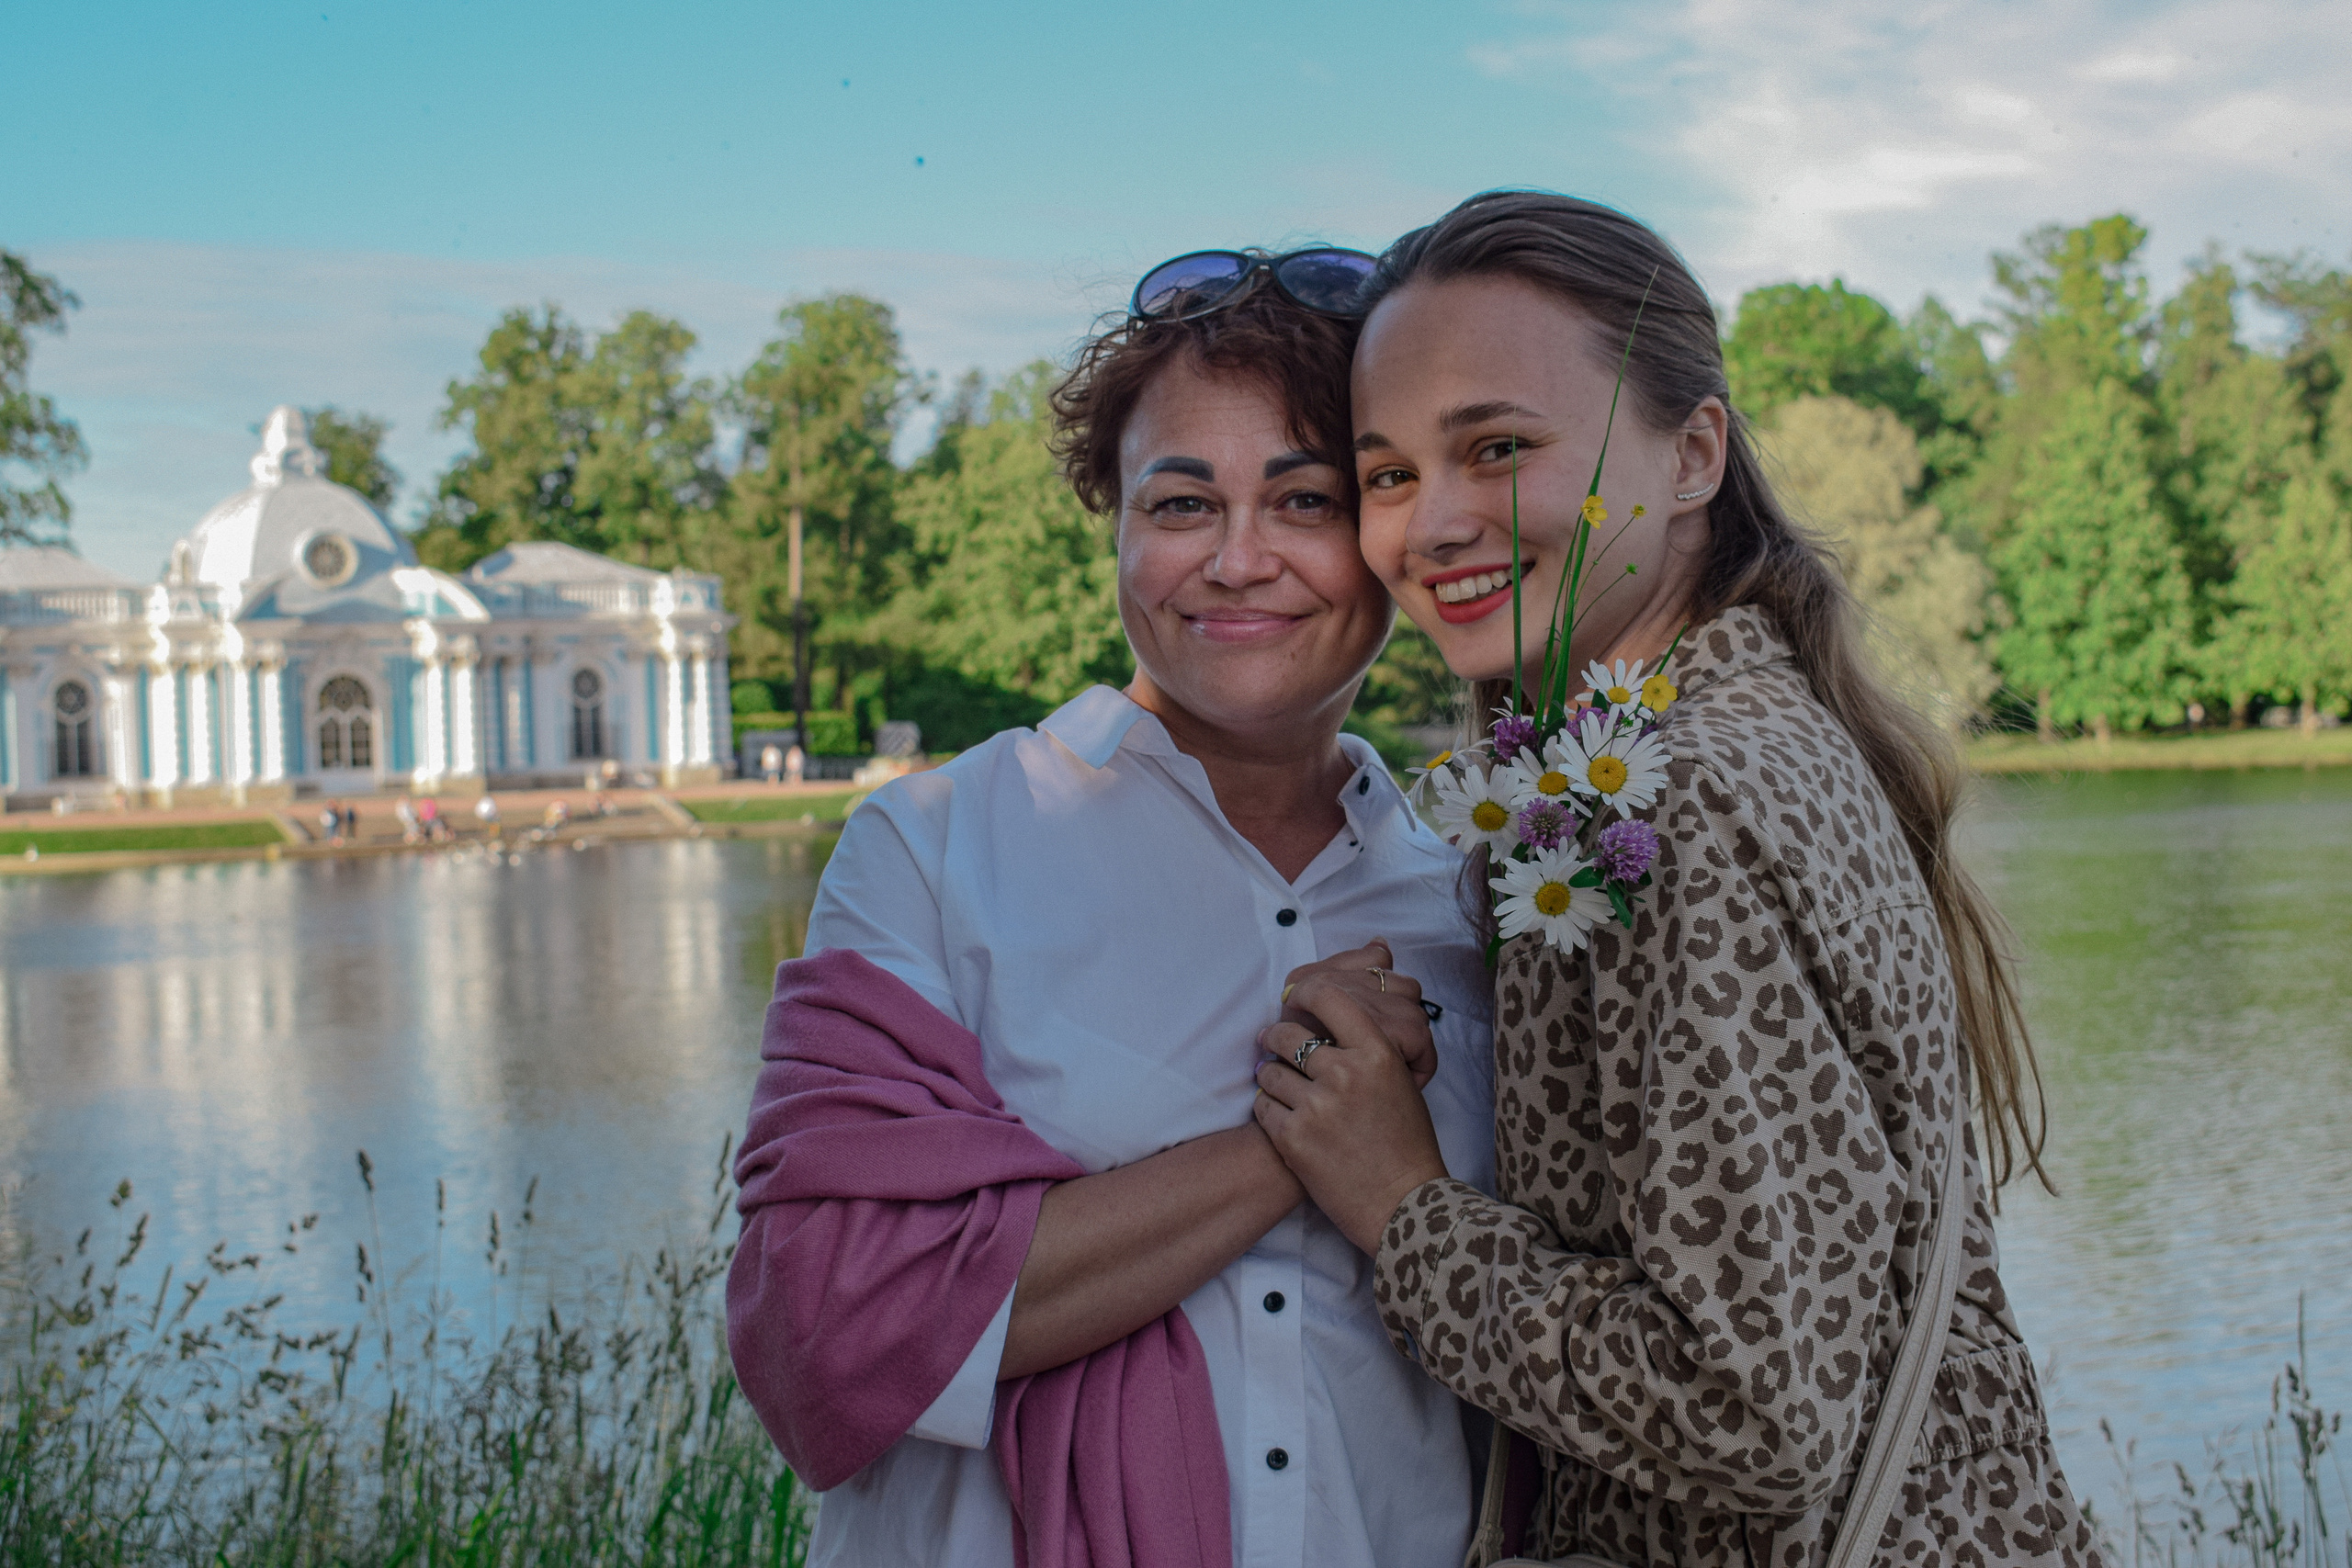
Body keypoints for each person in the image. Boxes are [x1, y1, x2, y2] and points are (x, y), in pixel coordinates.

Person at [1250, 191, 2098, 1568]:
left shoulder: (1667, 805)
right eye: (1390, 475)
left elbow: (1749, 1413)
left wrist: (1402, 1212)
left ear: (1695, 452)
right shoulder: (1737, 734)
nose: (1433, 524)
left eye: (1499, 449)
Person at [729, 254, 1498, 1568]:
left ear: (1388, 529)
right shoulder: (934, 849)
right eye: (1183, 501)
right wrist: (1312, 1129)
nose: (1238, 560)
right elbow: (829, 1329)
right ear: (1120, 525)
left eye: (1303, 498)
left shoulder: (1477, 899)